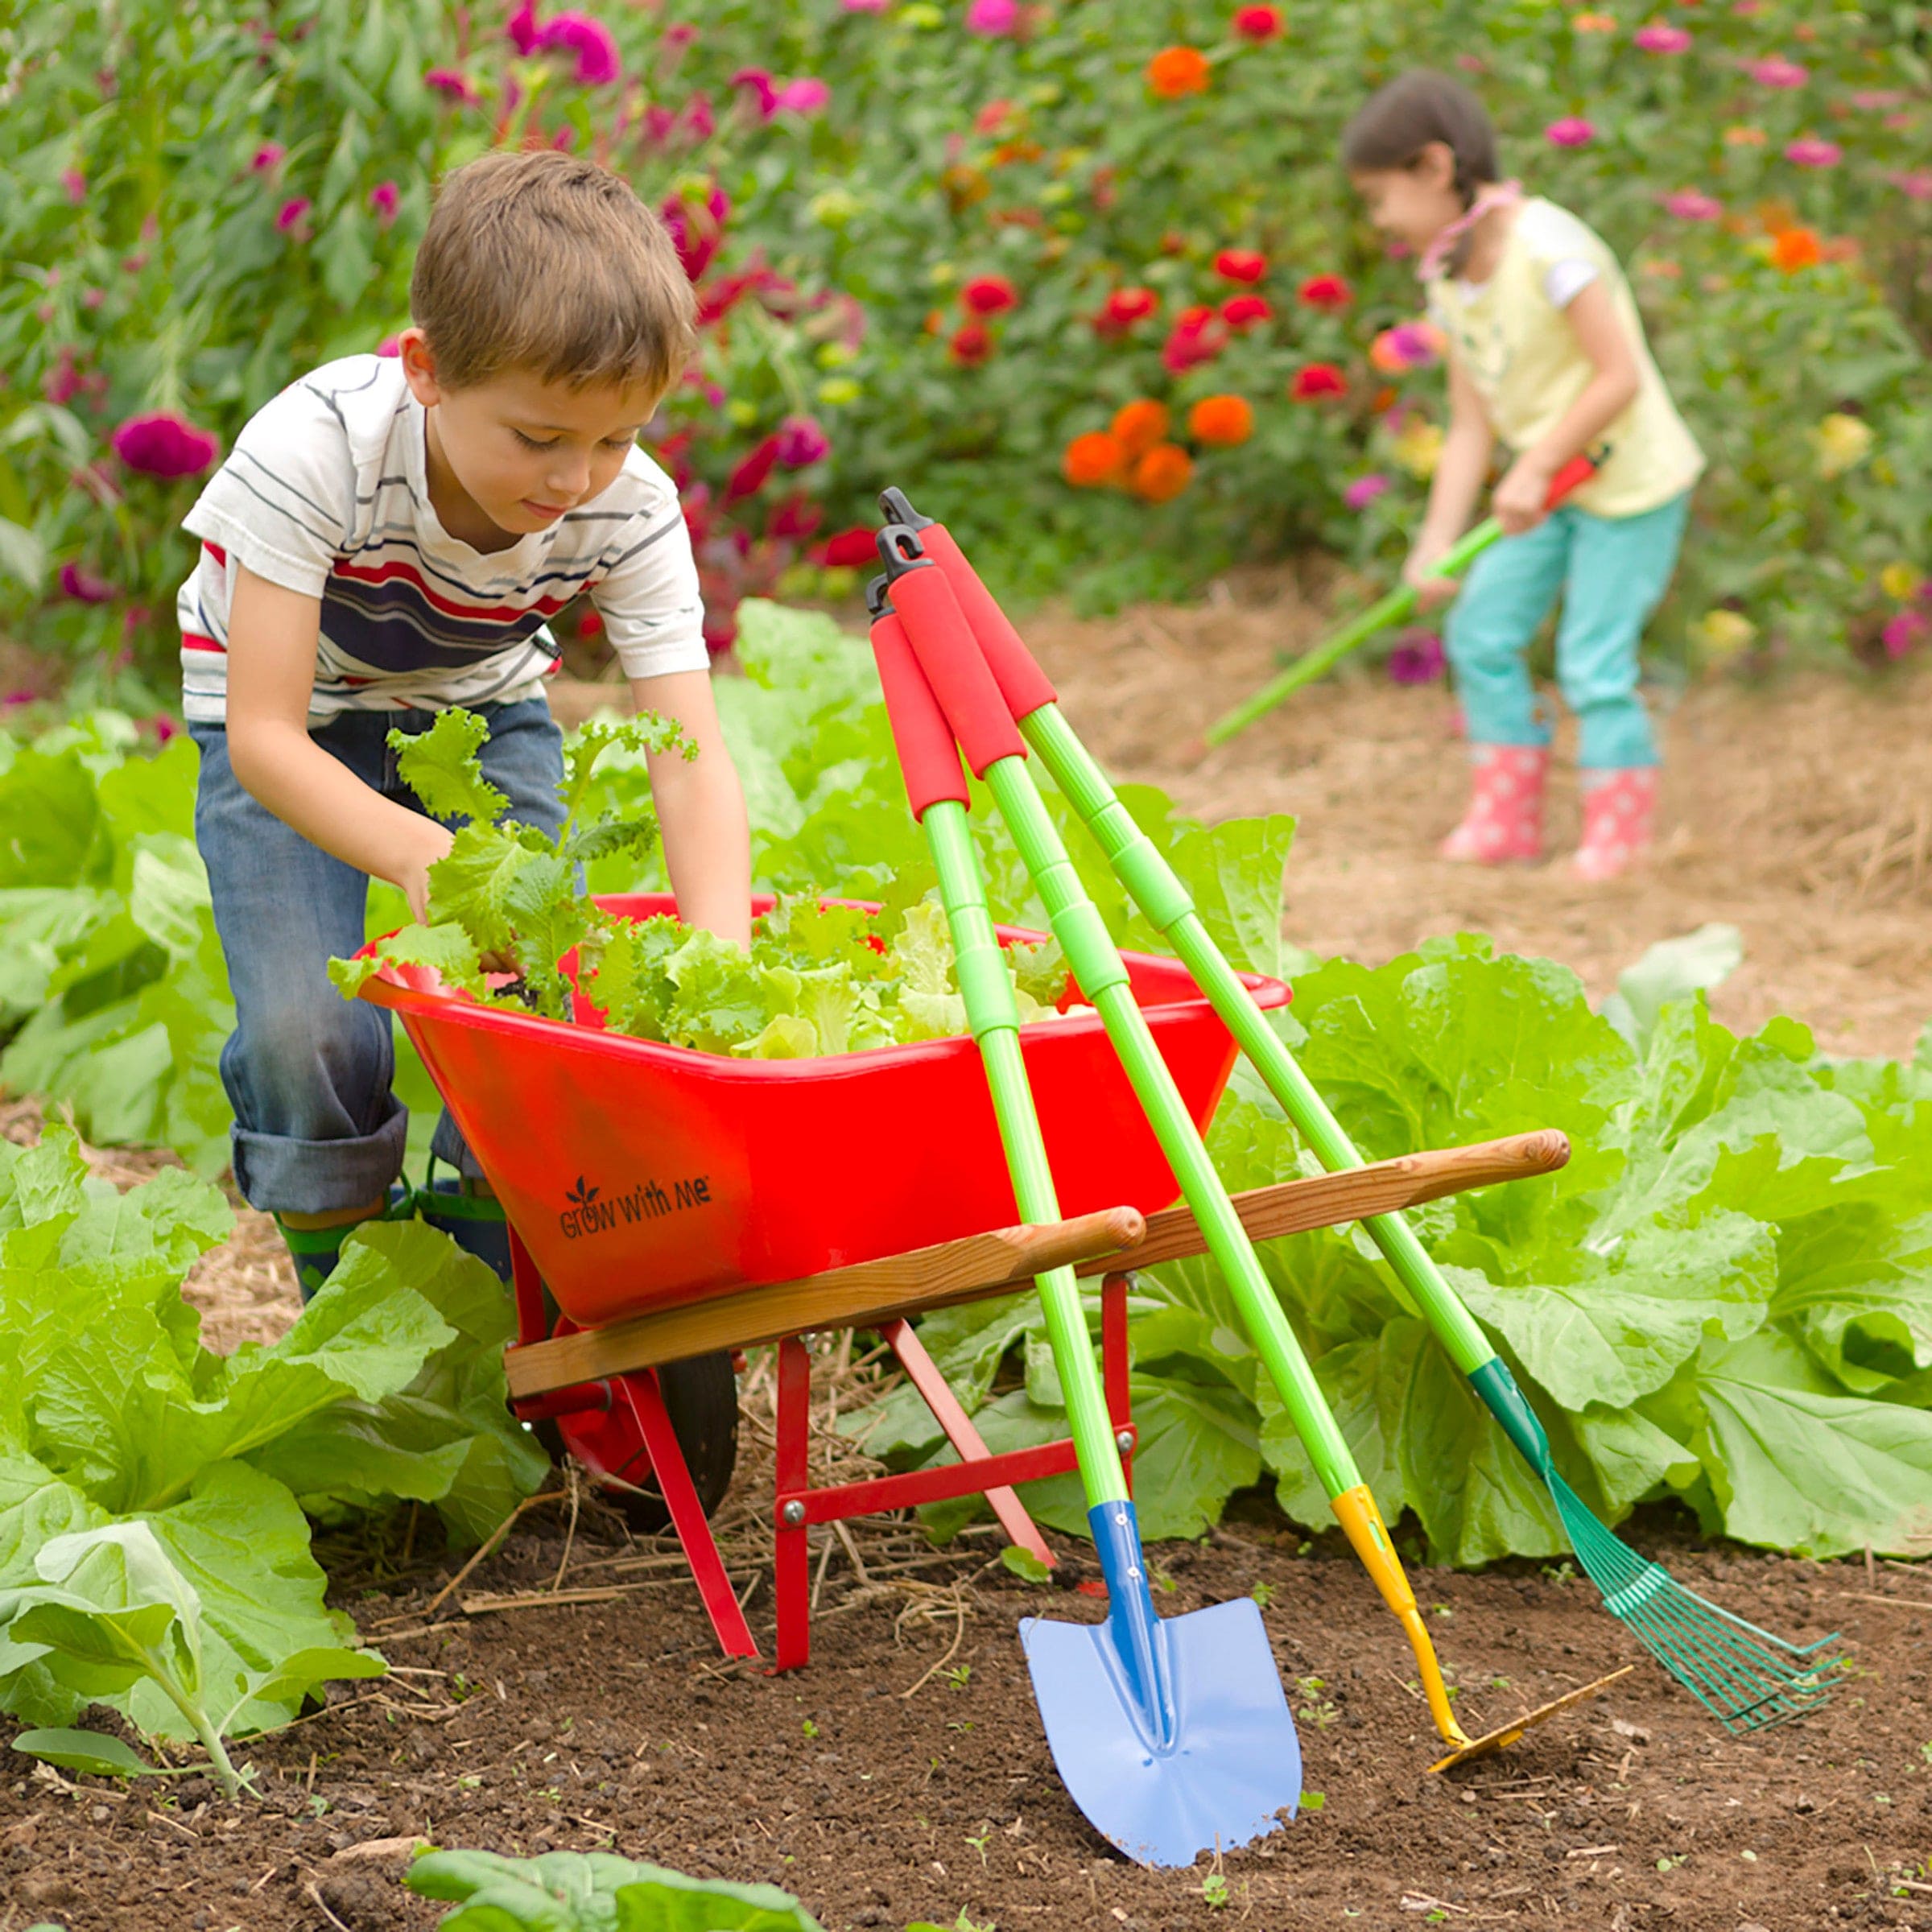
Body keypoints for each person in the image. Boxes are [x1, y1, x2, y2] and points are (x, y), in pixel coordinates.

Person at [175, 150, 750, 1296]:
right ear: (427, 370)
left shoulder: (628, 507)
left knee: (532, 1026)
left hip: (482, 709)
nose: (577, 475)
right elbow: (266, 740)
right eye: (539, 439)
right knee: (309, 1035)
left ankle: (493, 1288)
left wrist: (718, 968)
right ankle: (354, 1292)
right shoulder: (311, 455)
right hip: (300, 720)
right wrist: (419, 856)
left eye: (615, 438)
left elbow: (690, 759)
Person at [1343, 71, 1704, 877]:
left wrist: (1536, 463)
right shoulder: (1448, 275)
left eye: (1379, 197)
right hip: (1544, 495)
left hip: (1626, 485)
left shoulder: (1552, 253)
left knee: (1592, 659)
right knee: (1480, 629)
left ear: (1434, 168)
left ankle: (1620, 839)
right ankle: (1505, 819)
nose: (1381, 220)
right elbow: (1471, 422)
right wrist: (1437, 542)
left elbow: (1620, 377)